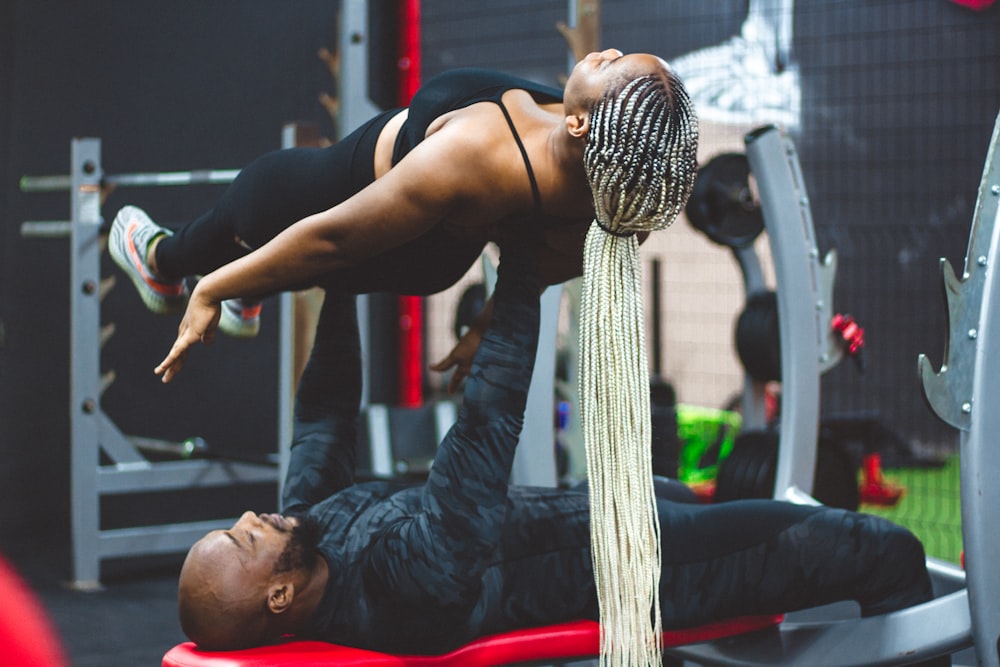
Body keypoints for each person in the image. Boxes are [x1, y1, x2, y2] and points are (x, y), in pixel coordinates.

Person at [177, 243, 947, 666]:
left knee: (683, 487)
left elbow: (322, 416)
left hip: (608, 504)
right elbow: (484, 428)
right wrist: (527, 263)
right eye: (246, 536)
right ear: (277, 598)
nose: (254, 514)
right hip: (638, 566)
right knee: (881, 548)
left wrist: (337, 276)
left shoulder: (306, 526)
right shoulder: (401, 586)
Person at [107, 48, 695, 388]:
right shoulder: (615, 200)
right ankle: (248, 284)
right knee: (282, 244)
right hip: (431, 256)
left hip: (351, 204)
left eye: (613, 66)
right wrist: (481, 330)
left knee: (256, 196)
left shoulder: (475, 155)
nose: (606, 52)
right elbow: (535, 269)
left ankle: (160, 264)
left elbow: (334, 238)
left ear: (581, 126)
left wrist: (210, 287)